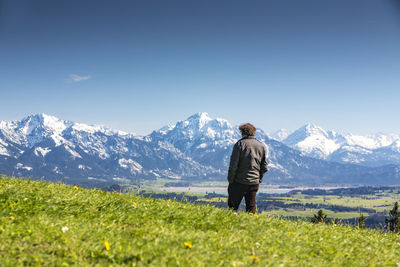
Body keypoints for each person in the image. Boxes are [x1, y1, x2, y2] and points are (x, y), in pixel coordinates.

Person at [227, 123, 268, 213]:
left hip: (239, 182)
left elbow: (233, 165)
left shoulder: (240, 144)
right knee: (251, 207)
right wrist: (258, 178)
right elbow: (264, 166)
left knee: (232, 208)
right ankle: (251, 225)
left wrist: (231, 180)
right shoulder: (261, 146)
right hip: (254, 183)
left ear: (242, 132)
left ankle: (232, 224)